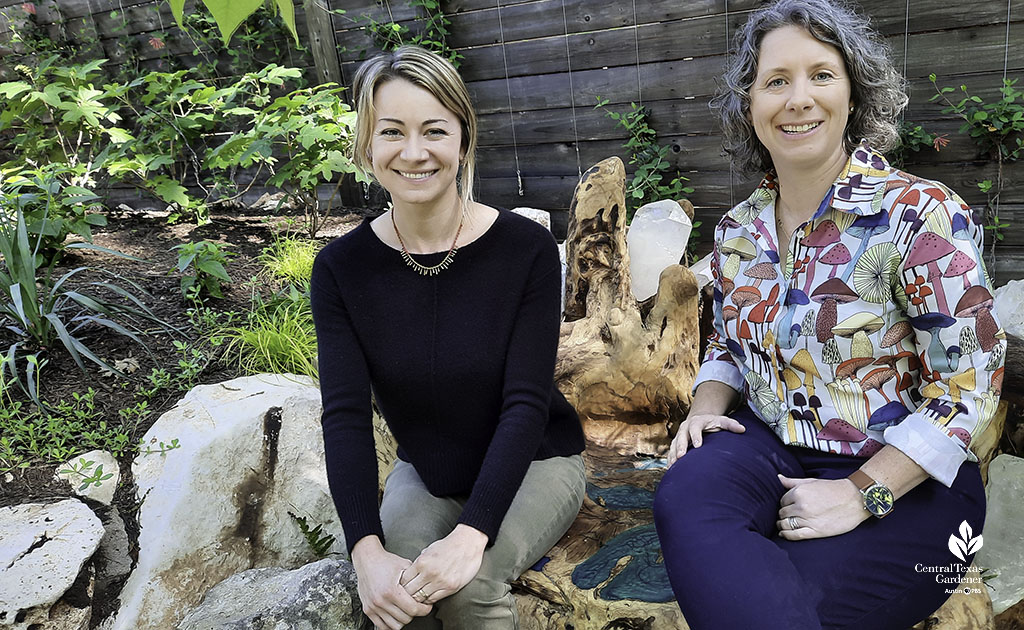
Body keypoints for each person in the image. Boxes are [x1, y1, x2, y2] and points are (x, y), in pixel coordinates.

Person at [652, 0, 1006, 628]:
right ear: (749, 104)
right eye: (776, 81)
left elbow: (968, 385)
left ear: (853, 93)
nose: (798, 99)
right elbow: (730, 347)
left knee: (794, 602)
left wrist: (860, 492)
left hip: (919, 484)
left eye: (821, 75)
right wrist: (705, 410)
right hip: (771, 451)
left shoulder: (921, 215)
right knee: (684, 494)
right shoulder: (738, 230)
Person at [309, 46, 586, 630]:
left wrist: (472, 534)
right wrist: (364, 551)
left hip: (538, 460)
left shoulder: (525, 251)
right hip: (429, 470)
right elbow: (345, 417)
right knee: (399, 594)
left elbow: (527, 404)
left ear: (463, 139)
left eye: (434, 130)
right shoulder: (341, 269)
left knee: (470, 586)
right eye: (391, 132)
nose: (413, 152)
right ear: (366, 143)